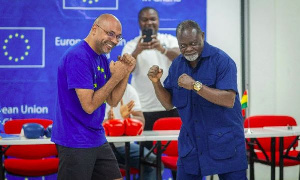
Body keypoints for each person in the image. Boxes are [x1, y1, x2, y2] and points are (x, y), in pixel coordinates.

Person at [147, 20, 248, 179]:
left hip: (225, 142)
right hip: (192, 143)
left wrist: (195, 85)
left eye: (193, 43)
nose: (188, 49)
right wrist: (156, 83)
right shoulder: (177, 65)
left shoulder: (222, 61)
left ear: (202, 36)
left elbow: (229, 99)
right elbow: (168, 104)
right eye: (183, 46)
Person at [51, 14, 136, 180]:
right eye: (110, 33)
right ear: (94, 29)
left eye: (118, 36)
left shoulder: (101, 58)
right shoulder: (78, 56)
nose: (115, 40)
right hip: (74, 139)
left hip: (96, 137)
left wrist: (125, 72)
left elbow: (113, 100)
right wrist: (116, 77)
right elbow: (89, 106)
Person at [122, 7, 181, 149]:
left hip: (171, 106)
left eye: (152, 19)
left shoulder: (169, 40)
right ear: (139, 23)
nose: (149, 23)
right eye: (145, 19)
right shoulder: (131, 46)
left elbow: (182, 58)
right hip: (144, 109)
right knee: (147, 158)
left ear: (158, 21)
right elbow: (125, 70)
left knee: (178, 153)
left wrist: (163, 49)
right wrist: (137, 51)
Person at [104, 83, 157, 180]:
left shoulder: (129, 90)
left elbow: (141, 121)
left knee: (154, 163)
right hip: (103, 147)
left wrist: (128, 118)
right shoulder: (98, 88)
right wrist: (108, 121)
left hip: (125, 146)